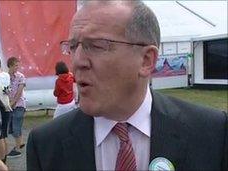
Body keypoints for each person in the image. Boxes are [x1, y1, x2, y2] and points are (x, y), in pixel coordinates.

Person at [27, 1, 228, 171]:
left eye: (96, 45)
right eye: (73, 46)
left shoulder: (212, 132)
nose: (78, 61)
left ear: (146, 60)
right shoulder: (45, 144)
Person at [6, 57, 26, 158]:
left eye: (18, 65)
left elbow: (20, 91)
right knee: (11, 128)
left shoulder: (21, 76)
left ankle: (17, 150)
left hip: (19, 105)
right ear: (10, 65)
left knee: (16, 127)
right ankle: (20, 143)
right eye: (15, 65)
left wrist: (13, 102)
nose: (17, 67)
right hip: (8, 105)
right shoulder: (5, 77)